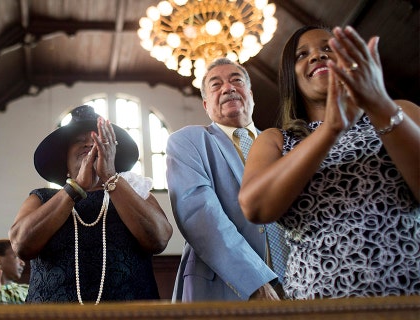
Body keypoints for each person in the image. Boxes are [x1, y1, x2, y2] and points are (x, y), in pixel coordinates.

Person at [239, 25, 420, 299]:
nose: (317, 57)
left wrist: (379, 104)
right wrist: (330, 129)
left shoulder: (399, 112)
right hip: (319, 304)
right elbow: (255, 207)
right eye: (302, 55)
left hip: (406, 296)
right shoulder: (276, 140)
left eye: (328, 49)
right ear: (291, 76)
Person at [9, 105, 173, 304]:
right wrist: (76, 187)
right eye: (79, 142)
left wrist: (110, 177)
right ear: (65, 165)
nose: (90, 144)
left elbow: (159, 238)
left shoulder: (135, 192)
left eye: (98, 140)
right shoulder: (42, 198)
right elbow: (21, 244)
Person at [166, 58, 285, 302]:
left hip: (298, 285)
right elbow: (200, 215)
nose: (228, 88)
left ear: (250, 94)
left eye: (236, 81)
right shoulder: (189, 141)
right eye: (216, 84)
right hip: (224, 290)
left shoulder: (283, 142)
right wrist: (255, 281)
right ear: (206, 104)